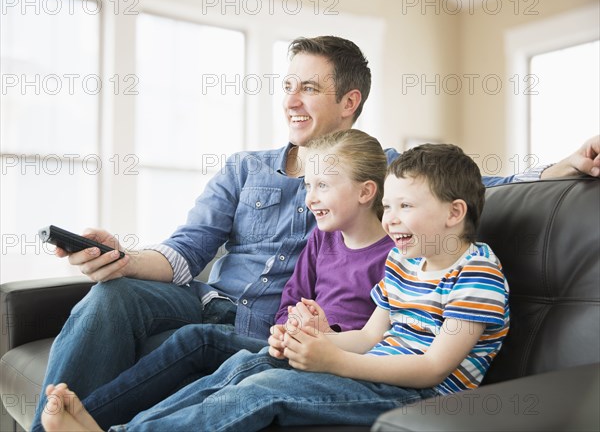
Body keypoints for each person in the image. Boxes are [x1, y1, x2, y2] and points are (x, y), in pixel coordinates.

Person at [31, 32, 600, 431]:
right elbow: (187, 250)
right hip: (212, 303)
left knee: (249, 374)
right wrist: (125, 259)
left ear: (349, 102)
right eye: (287, 85)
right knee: (114, 294)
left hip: (282, 333)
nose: (290, 101)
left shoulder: (388, 174)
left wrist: (563, 165)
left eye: (308, 88)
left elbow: (475, 184)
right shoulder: (244, 167)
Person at [41, 143, 510, 431]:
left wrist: (335, 361)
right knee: (249, 363)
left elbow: (431, 369)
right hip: (370, 366)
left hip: (419, 398)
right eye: (391, 205)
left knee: (263, 390)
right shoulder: (404, 264)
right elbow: (370, 337)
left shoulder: (477, 275)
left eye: (404, 206)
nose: (390, 218)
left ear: (455, 213)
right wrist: (315, 342)